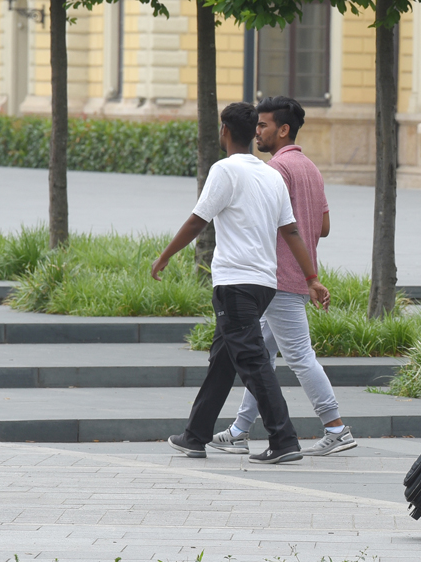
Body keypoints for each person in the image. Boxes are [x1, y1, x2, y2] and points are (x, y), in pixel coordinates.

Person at [153, 101, 330, 465]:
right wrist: (311, 278)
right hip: (265, 282)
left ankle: (284, 440)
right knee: (224, 358)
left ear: (225, 131)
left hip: (236, 281)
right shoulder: (270, 175)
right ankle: (195, 435)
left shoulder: (226, 170)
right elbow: (292, 231)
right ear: (253, 133)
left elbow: (197, 220)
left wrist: (166, 254)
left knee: (252, 360)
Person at [205, 96, 357, 458]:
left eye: (263, 126)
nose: (256, 132)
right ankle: (241, 429)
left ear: (283, 129)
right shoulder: (310, 168)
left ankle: (336, 427)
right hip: (294, 276)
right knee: (261, 356)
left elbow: (265, 220)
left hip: (278, 277)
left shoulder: (275, 169)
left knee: (300, 356)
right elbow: (324, 226)